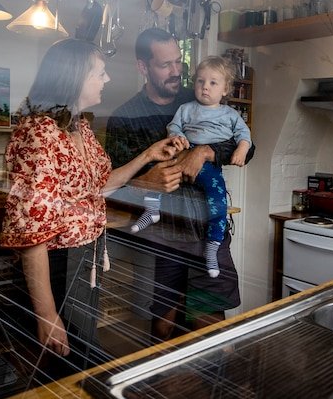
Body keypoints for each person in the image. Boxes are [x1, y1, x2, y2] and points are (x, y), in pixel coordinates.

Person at [0, 38, 185, 376]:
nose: (107, 79)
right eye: (100, 72)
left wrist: (147, 156)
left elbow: (99, 183)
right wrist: (46, 315)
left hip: (83, 262)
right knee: (64, 369)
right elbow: (33, 232)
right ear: (74, 78)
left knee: (78, 365)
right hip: (55, 268)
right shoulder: (38, 135)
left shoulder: (78, 126)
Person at [105, 27, 254, 341]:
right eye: (165, 65)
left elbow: (247, 148)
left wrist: (204, 152)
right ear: (143, 67)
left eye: (179, 63)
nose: (176, 72)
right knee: (163, 324)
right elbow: (109, 189)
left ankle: (210, 385)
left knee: (210, 321)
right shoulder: (125, 117)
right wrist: (147, 181)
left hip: (208, 228)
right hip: (162, 236)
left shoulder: (200, 94)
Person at [130, 55, 251, 279]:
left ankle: (213, 245)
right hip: (182, 153)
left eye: (213, 83)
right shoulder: (186, 108)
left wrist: (241, 150)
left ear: (225, 89)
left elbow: (245, 137)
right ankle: (152, 210)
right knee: (159, 172)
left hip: (208, 166)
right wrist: (177, 138)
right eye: (200, 81)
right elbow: (174, 126)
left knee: (218, 199)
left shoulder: (230, 114)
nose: (205, 87)